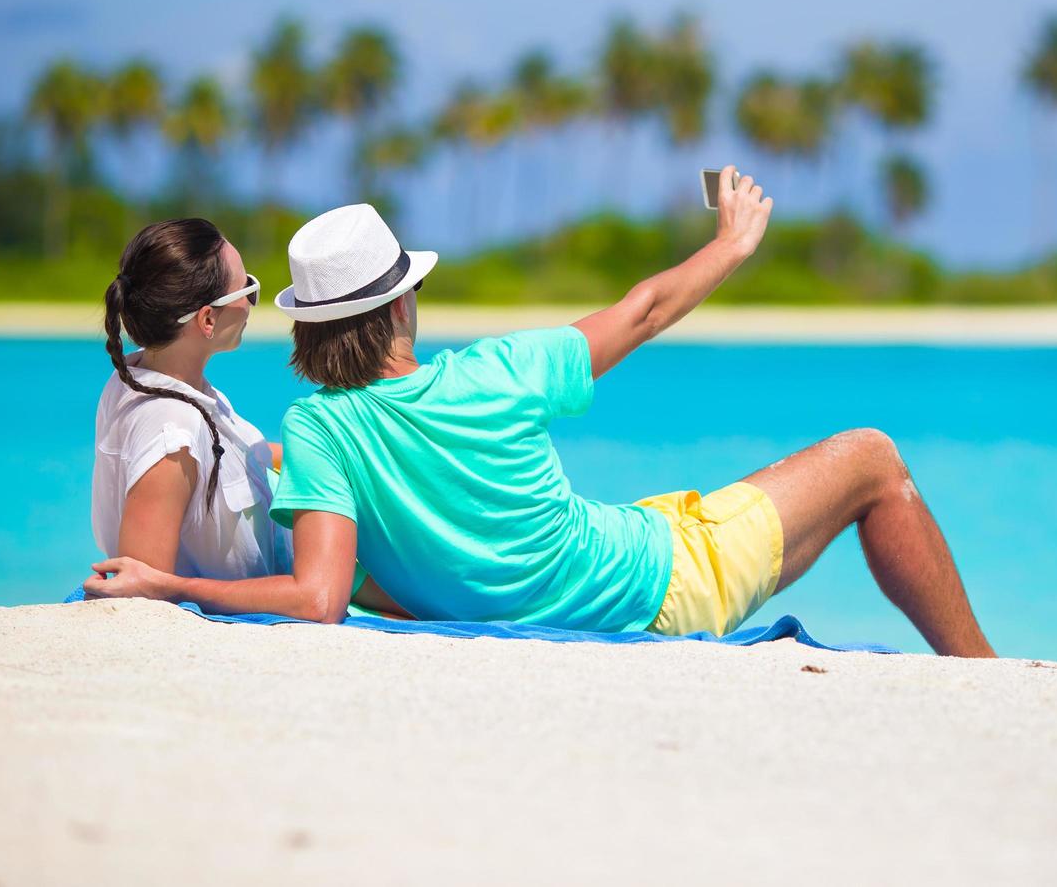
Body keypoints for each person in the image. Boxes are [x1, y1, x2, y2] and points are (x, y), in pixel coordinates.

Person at [88, 171, 995, 656]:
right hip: (660, 586)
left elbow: (324, 584)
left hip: (637, 551)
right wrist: (731, 242)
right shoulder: (499, 374)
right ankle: (983, 677)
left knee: (682, 507)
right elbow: (640, 310)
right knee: (872, 458)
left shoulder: (324, 436)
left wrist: (172, 580)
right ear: (402, 305)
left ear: (312, 325)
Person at [89, 218, 408, 618]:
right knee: (437, 597)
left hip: (307, 557)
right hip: (287, 587)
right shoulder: (172, 434)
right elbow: (142, 589)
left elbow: (243, 455)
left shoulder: (151, 378)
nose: (251, 303)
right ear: (207, 320)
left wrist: (342, 460)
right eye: (248, 290)